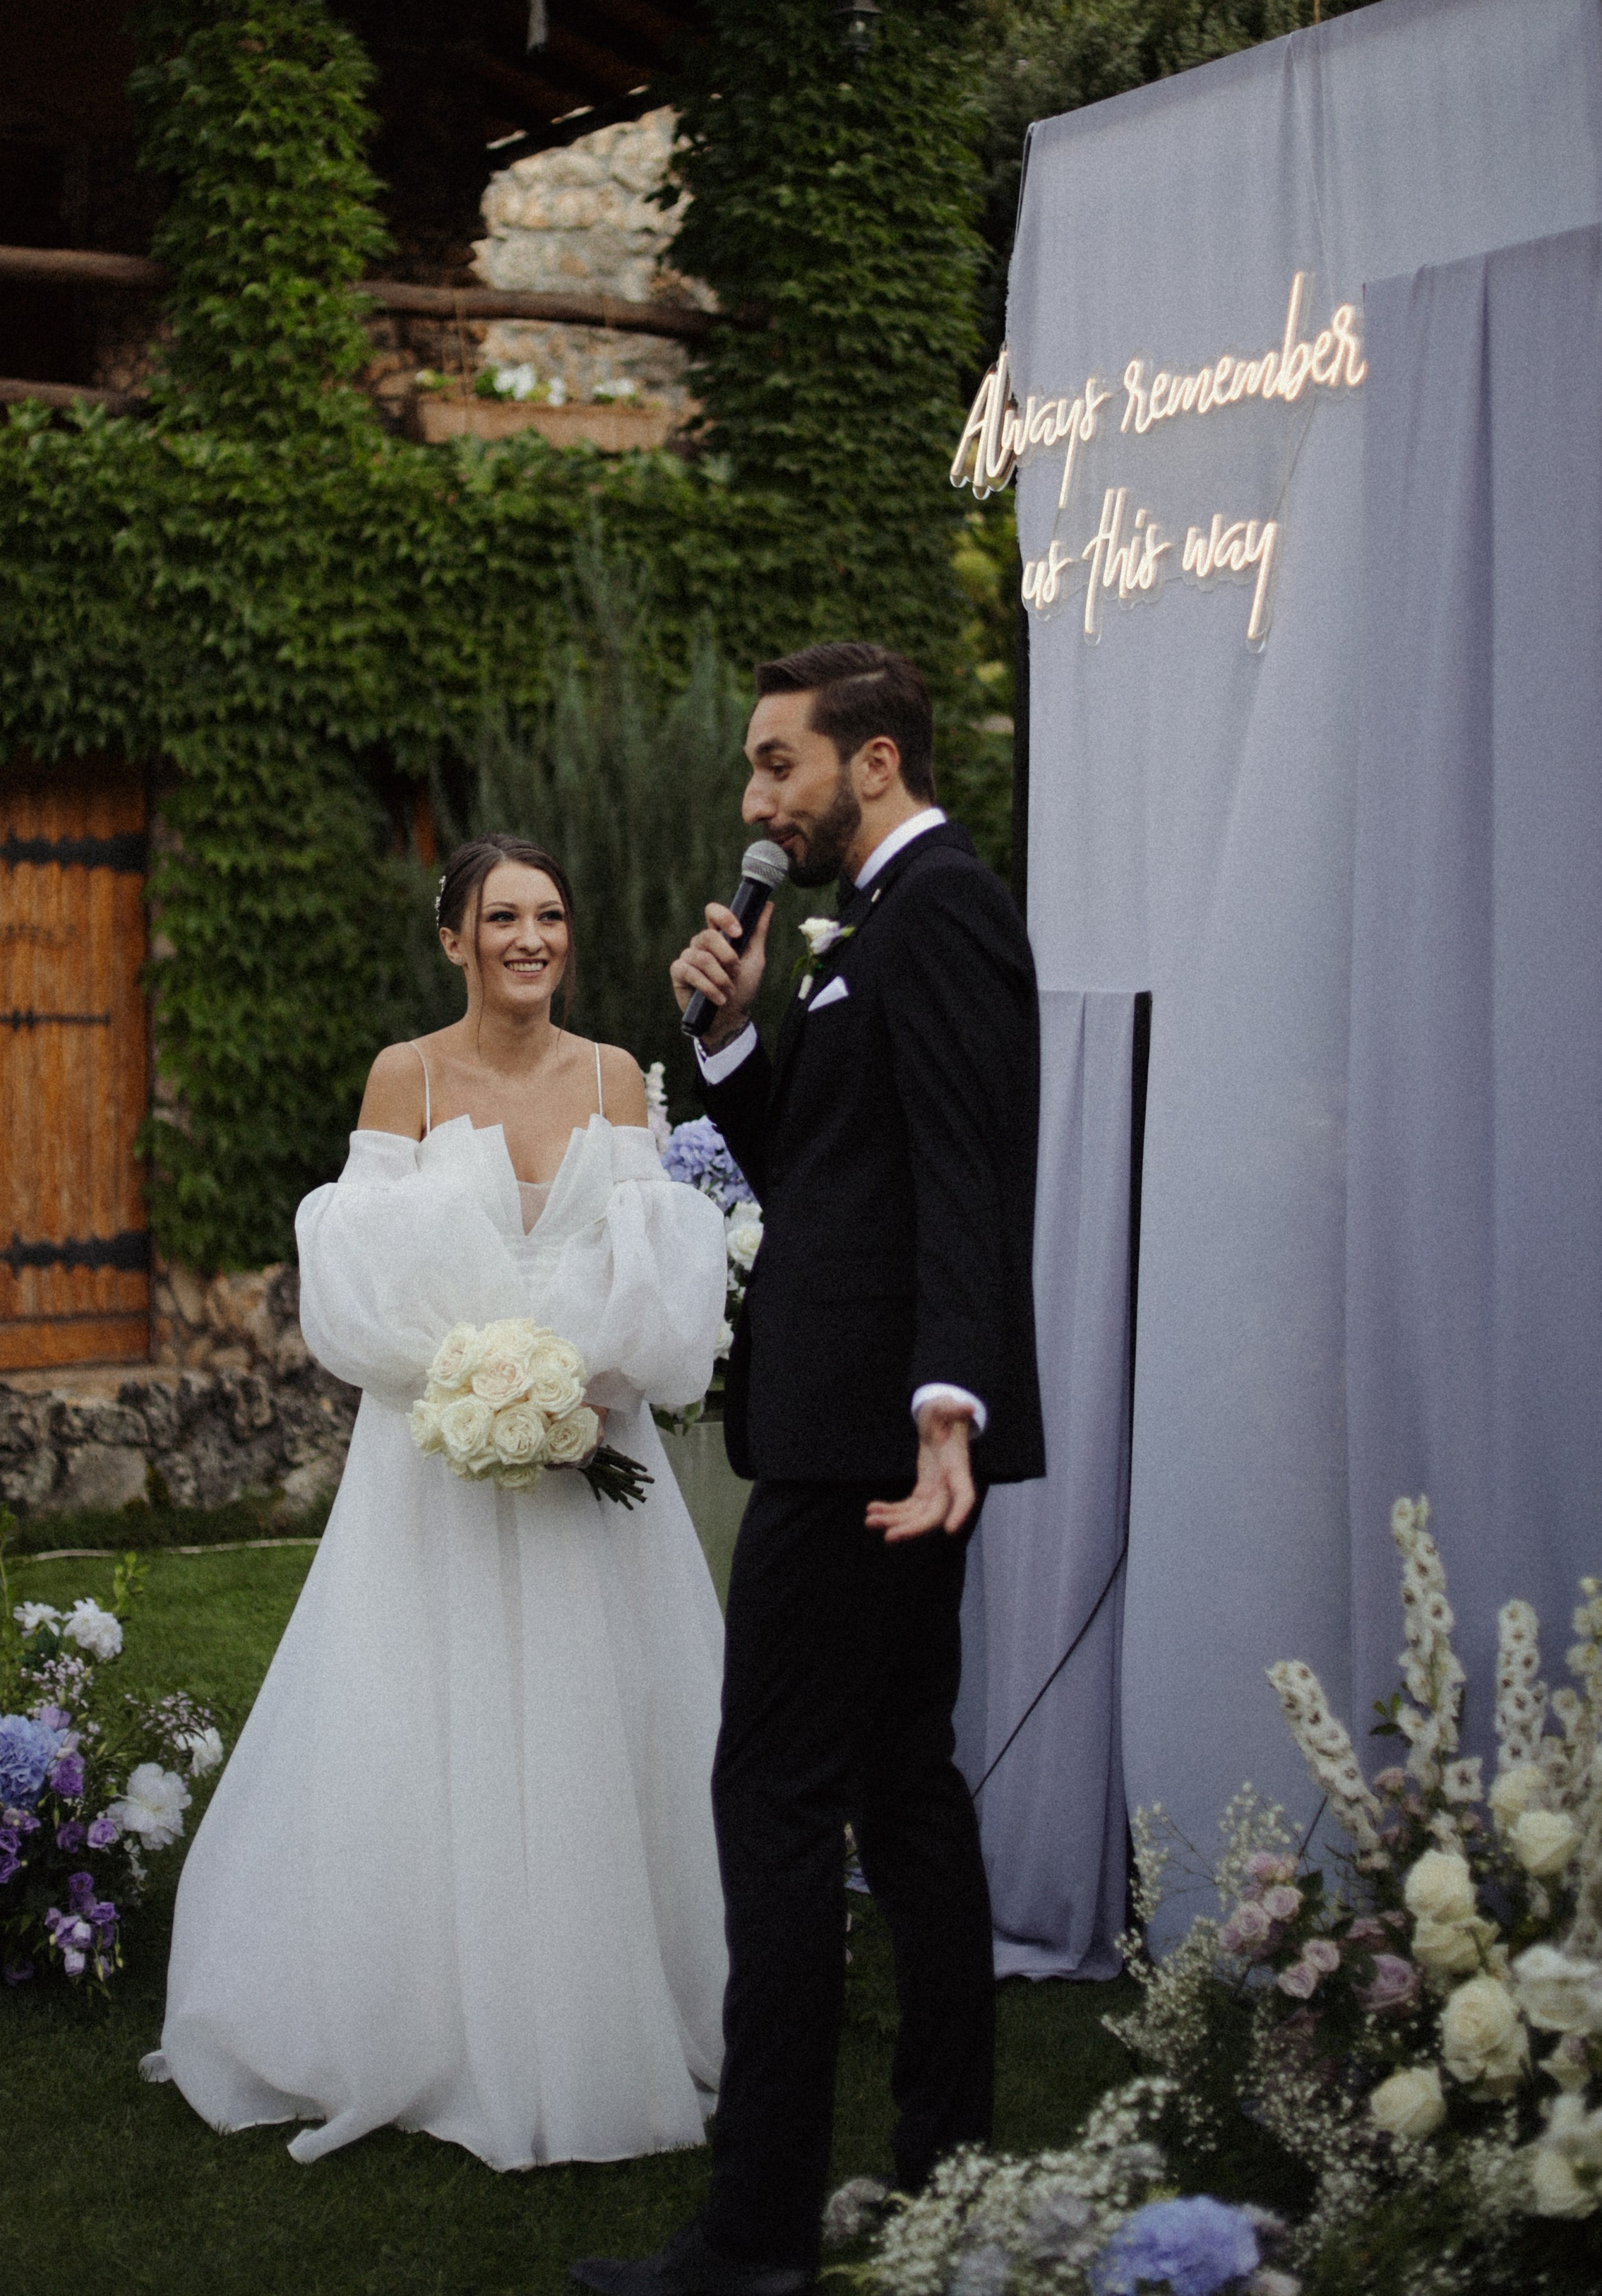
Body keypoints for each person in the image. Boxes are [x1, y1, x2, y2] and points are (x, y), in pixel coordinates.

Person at [142, 834, 731, 2169]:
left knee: (607, 1719)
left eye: (552, 916)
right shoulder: (404, 1076)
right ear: (454, 937)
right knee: (423, 1719)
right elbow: (359, 1282)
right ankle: (423, 2017)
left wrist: (578, 1384)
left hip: (593, 1453)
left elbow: (657, 1267)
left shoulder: (616, 1075)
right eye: (503, 917)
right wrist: (474, 1382)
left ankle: (606, 2005)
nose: (532, 939)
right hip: (437, 1463)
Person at [574, 643, 1045, 2296]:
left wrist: (945, 1407)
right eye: (752, 770)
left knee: (771, 1798)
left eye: (779, 763)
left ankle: (754, 2233)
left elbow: (972, 1173)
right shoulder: (874, 928)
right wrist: (727, 1040)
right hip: (863, 1433)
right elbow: (833, 1180)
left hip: (867, 1448)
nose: (756, 798)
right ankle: (943, 2174)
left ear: (875, 762)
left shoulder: (945, 912)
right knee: (899, 1789)